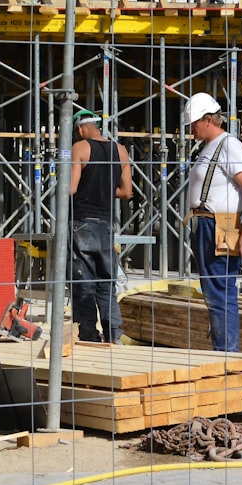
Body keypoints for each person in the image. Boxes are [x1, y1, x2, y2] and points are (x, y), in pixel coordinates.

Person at [183, 93, 242, 352]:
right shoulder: (209, 147)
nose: (191, 129)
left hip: (221, 225)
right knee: (213, 291)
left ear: (208, 120)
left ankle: (227, 353)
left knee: (220, 291)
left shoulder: (228, 145)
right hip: (205, 224)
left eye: (194, 123)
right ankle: (223, 349)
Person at [69, 109, 133, 344]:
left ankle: (87, 336)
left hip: (81, 223)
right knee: (107, 284)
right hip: (106, 225)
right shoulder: (121, 151)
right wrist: (105, 191)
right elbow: (127, 192)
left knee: (84, 284)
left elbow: (71, 188)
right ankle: (113, 336)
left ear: (80, 129)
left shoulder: (80, 148)